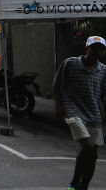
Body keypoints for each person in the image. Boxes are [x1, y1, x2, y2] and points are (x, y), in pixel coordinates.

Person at [53, 35, 106, 190]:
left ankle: (82, 186)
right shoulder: (70, 63)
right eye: (94, 48)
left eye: (101, 49)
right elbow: (57, 83)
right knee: (88, 148)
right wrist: (58, 105)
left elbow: (103, 95)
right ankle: (75, 182)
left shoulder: (103, 71)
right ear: (86, 49)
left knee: (92, 155)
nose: (97, 52)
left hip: (94, 115)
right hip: (73, 111)